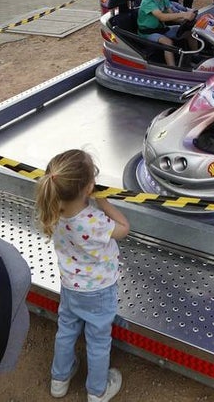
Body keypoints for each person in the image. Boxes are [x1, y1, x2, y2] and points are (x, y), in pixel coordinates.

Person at [38, 150, 128, 402]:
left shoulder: (53, 210)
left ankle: (59, 379)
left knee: (66, 330)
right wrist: (105, 202)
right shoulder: (94, 220)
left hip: (70, 287)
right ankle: (97, 391)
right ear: (89, 188)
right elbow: (124, 229)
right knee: (98, 340)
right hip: (99, 291)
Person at [137, 0, 196, 65]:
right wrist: (184, 14)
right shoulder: (148, 0)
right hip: (148, 33)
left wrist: (185, 21)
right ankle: (172, 68)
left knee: (190, 33)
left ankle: (196, 56)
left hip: (161, 29)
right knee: (167, 42)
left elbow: (171, 15)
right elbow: (162, 17)